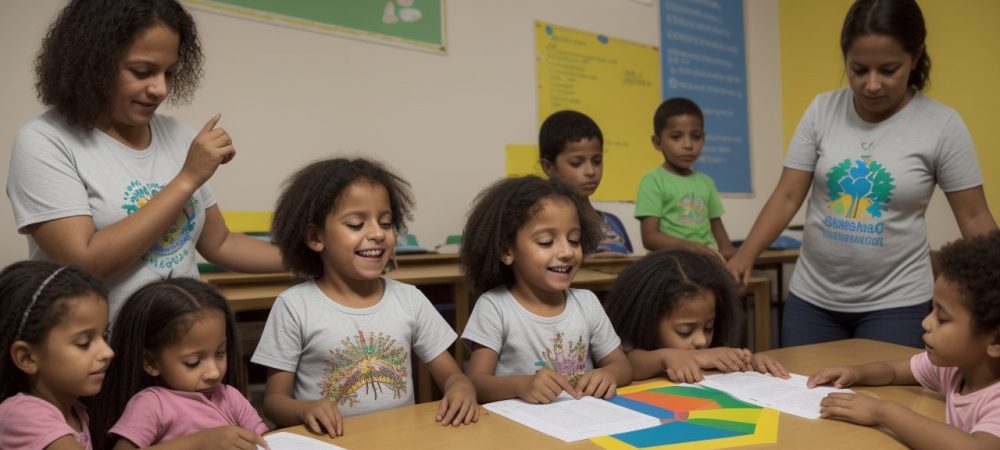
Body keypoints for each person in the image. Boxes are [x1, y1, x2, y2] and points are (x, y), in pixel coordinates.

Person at [726, 0, 997, 348]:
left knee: (884, 385)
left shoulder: (942, 125)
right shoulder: (821, 111)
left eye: (888, 70)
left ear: (915, 57)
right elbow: (787, 196)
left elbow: (974, 216)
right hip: (812, 302)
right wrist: (746, 254)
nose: (872, 84)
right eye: (858, 69)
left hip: (897, 304)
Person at [6, 0, 283, 321]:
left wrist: (311, 259)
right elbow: (84, 264)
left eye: (170, 72)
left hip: (182, 341)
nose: (160, 89)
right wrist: (187, 179)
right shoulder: (45, 141)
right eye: (142, 72)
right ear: (93, 63)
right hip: (103, 346)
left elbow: (220, 243)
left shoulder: (178, 135)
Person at [252, 158, 478, 438]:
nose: (377, 234)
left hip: (399, 441)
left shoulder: (410, 300)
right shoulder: (294, 307)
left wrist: (460, 387)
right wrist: (303, 409)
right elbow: (274, 402)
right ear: (315, 238)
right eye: (356, 224)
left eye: (386, 223)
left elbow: (453, 376)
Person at [808, 230, 1000, 449]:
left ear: (995, 341)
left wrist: (882, 411)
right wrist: (855, 373)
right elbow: (894, 371)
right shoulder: (955, 369)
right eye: (932, 310)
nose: (926, 322)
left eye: (943, 318)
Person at [460, 176, 632, 403]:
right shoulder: (494, 307)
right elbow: (476, 383)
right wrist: (521, 385)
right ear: (506, 250)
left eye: (574, 240)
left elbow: (622, 365)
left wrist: (608, 374)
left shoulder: (587, 303)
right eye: (545, 242)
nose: (567, 252)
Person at [89, 279, 268, 450]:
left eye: (220, 354)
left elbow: (266, 439)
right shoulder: (152, 405)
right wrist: (197, 444)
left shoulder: (230, 397)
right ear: (151, 362)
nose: (214, 373)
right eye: (193, 362)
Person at [605, 249, 788, 383]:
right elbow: (627, 364)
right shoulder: (632, 349)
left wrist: (751, 363)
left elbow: (726, 360)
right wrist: (665, 357)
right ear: (649, 321)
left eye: (709, 327)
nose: (701, 340)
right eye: (685, 331)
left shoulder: (710, 344)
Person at [0, 261, 113, 450]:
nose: (108, 352)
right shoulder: (23, 415)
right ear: (26, 357)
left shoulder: (77, 411)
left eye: (105, 336)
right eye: (84, 342)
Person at [634, 98, 736, 261]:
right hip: (671, 262)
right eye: (676, 137)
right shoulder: (653, 181)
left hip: (708, 262)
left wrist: (743, 255)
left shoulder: (706, 182)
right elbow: (650, 238)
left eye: (696, 136)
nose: (688, 145)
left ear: (704, 138)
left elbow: (724, 245)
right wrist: (688, 246)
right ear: (657, 142)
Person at [539, 110, 633, 256]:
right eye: (576, 163)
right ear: (548, 167)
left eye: (597, 161)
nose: (590, 171)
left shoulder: (614, 223)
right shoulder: (543, 223)